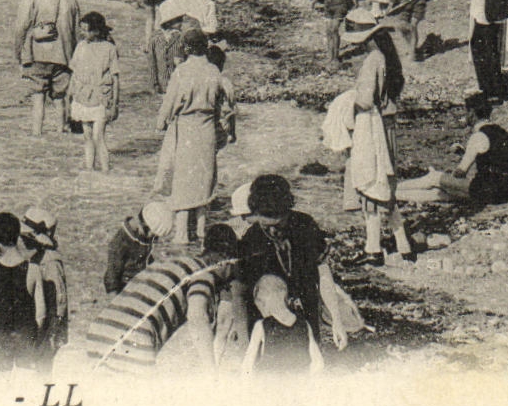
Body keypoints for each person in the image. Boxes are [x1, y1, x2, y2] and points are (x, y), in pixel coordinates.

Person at [83, 224, 240, 374]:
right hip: (134, 338)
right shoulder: (203, 274)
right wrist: (211, 372)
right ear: (226, 259)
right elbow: (197, 318)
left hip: (99, 331)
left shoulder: (169, 262)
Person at [234, 174, 345, 358]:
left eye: (278, 224)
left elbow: (323, 273)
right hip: (267, 314)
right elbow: (239, 294)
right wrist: (245, 344)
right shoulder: (251, 241)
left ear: (287, 211)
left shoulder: (305, 226)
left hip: (305, 302)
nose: (272, 231)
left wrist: (336, 320)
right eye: (265, 225)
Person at [340, 10, 414, 263]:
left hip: (374, 124)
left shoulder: (372, 59)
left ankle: (373, 248)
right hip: (388, 121)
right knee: (386, 182)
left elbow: (364, 98)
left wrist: (347, 108)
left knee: (371, 179)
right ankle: (402, 244)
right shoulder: (387, 56)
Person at [156, 27, 231, 244]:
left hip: (187, 128)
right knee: (204, 178)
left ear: (187, 48)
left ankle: (181, 234)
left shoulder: (182, 72)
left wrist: (161, 121)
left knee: (183, 180)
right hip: (207, 128)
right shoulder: (214, 72)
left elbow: (170, 102)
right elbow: (221, 105)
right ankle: (200, 230)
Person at [398, 96, 508, 205]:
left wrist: (446, 178)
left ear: (472, 113)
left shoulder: (478, 136)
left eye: (465, 111)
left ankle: (392, 189)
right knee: (439, 194)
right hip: (504, 192)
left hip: (486, 191)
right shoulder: (501, 132)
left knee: (434, 178)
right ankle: (394, 195)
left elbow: (460, 172)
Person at [12, 0, 81, 136]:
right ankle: (61, 129)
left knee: (37, 95)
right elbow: (78, 32)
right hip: (64, 55)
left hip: (36, 53)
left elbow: (20, 27)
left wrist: (19, 53)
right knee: (60, 96)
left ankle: (37, 131)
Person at [0, 211, 44, 373]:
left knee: (1, 392)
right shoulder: (33, 270)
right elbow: (41, 315)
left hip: (1, 342)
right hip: (26, 342)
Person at [66, 12, 121, 172]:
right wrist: (70, 98)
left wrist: (115, 104)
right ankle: (89, 170)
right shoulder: (81, 46)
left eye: (85, 30)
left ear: (96, 31)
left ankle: (105, 171)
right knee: (87, 137)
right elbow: (74, 74)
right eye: (81, 29)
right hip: (82, 96)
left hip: (101, 98)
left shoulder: (110, 48)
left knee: (98, 137)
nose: (82, 33)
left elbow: (116, 78)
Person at [21, 207, 69, 374]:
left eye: (26, 236)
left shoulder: (49, 262)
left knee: (42, 366)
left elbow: (59, 299)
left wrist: (53, 330)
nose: (23, 239)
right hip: (43, 321)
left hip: (49, 324)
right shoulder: (41, 258)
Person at [241, 274, 321, 375]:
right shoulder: (305, 325)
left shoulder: (261, 326)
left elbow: (247, 365)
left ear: (263, 303)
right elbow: (318, 363)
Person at [103, 201, 175, 295]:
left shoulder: (142, 235)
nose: (153, 238)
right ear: (144, 226)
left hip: (142, 280)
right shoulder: (121, 242)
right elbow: (112, 274)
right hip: (127, 287)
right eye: (153, 235)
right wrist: (114, 296)